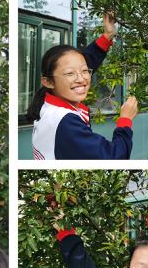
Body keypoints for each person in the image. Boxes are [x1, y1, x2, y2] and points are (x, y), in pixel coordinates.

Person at [27, 14, 138, 160]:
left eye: (85, 71)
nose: (81, 79)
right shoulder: (66, 123)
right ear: (48, 81)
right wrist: (125, 120)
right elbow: (114, 158)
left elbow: (83, 62)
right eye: (70, 73)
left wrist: (107, 36)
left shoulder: (47, 104)